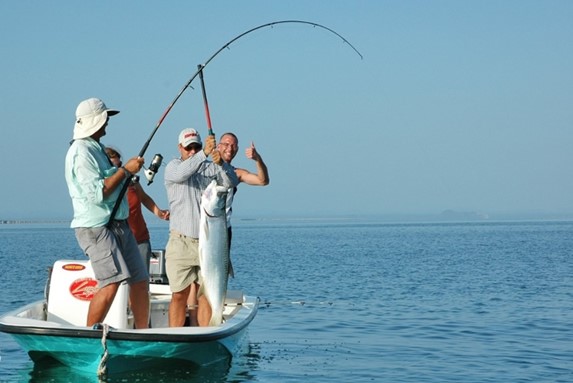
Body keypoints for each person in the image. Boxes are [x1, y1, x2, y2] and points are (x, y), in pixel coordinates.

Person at [64, 97, 149, 329]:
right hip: (96, 227)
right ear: (94, 121)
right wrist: (124, 170)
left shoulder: (96, 148)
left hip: (118, 223)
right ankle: (89, 337)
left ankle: (143, 332)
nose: (107, 123)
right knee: (110, 283)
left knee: (140, 280)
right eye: (105, 119)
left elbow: (109, 180)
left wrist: (124, 172)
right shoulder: (81, 152)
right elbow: (97, 194)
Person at [164, 128, 239, 327]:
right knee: (178, 294)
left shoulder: (208, 167)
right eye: (189, 148)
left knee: (205, 295)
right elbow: (182, 173)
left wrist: (221, 163)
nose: (192, 151)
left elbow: (231, 181)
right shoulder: (172, 167)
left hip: (207, 242)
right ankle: (175, 336)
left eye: (196, 147)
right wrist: (203, 153)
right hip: (180, 241)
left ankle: (208, 330)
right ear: (180, 147)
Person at [105, 147, 170, 270]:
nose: (118, 170)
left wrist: (160, 213)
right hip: (116, 242)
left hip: (140, 239)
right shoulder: (104, 188)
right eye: (113, 167)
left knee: (141, 283)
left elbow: (144, 198)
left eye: (120, 166)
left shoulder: (131, 180)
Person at [217, 132, 270, 276]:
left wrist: (257, 159)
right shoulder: (205, 168)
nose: (230, 148)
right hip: (204, 226)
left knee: (220, 272)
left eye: (233, 145)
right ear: (218, 146)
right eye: (226, 144)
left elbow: (262, 181)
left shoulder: (237, 173)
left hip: (224, 229)